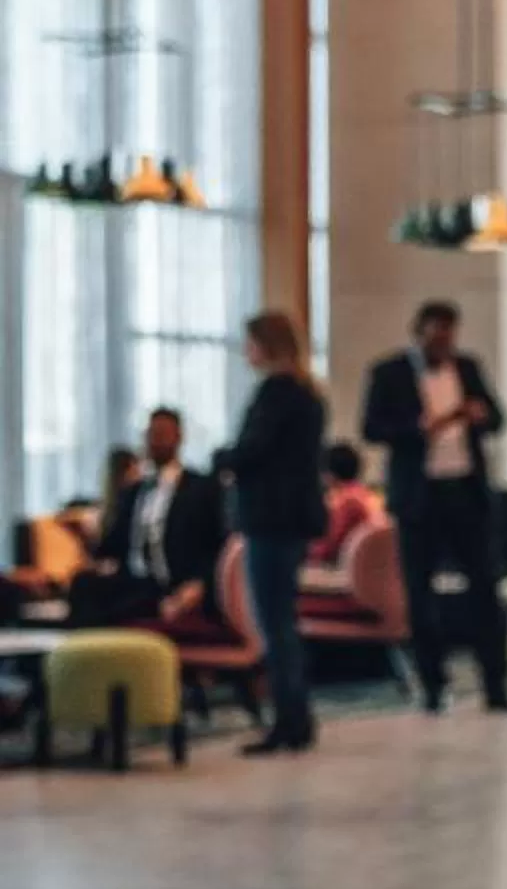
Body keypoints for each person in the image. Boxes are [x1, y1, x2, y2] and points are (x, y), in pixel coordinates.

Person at [360, 299, 507, 714]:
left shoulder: (467, 369)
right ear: (419, 333)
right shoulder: (389, 373)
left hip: (465, 491)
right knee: (420, 592)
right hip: (419, 496)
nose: (443, 344)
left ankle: (496, 685)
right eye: (435, 337)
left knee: (485, 588)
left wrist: (478, 416)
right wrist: (419, 429)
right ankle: (432, 685)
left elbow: (499, 419)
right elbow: (372, 428)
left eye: (449, 337)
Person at [230, 310, 327, 754]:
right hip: (294, 519)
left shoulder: (276, 393)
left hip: (270, 517)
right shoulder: (309, 394)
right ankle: (296, 716)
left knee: (274, 622)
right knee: (284, 618)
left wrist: (221, 460)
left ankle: (287, 719)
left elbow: (253, 451)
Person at [67, 409, 225, 630]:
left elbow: (218, 546)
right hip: (135, 580)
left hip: (173, 582)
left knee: (121, 609)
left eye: (162, 433)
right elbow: (112, 548)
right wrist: (85, 537)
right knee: (83, 585)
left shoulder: (201, 488)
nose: (155, 440)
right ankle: (82, 659)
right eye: (151, 433)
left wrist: (198, 585)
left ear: (179, 437)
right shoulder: (135, 491)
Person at [309, 440, 382, 565]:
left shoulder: (345, 502)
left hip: (349, 568)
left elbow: (329, 547)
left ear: (329, 474)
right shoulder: (368, 495)